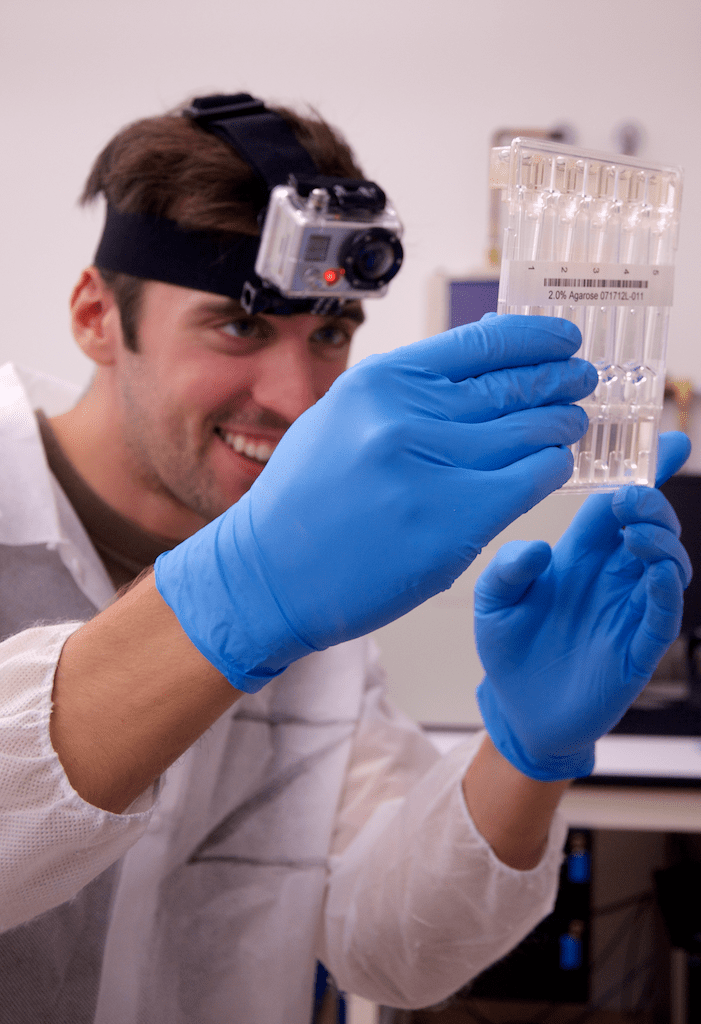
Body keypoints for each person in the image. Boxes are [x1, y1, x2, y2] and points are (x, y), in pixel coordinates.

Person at [0, 92, 691, 1024]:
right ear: (95, 315)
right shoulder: (281, 571)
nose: (294, 399)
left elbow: (391, 945)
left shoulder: (315, 590)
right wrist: (234, 598)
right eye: (239, 326)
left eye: (329, 333)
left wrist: (527, 758)